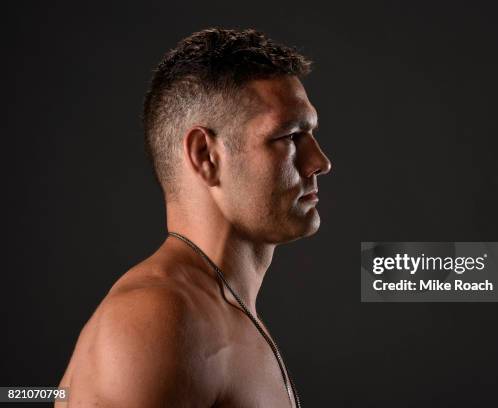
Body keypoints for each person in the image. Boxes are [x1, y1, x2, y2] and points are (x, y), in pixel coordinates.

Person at [56, 27, 331, 407]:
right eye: (288, 137)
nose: (319, 162)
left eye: (311, 134)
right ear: (205, 155)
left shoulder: (217, 309)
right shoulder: (158, 319)